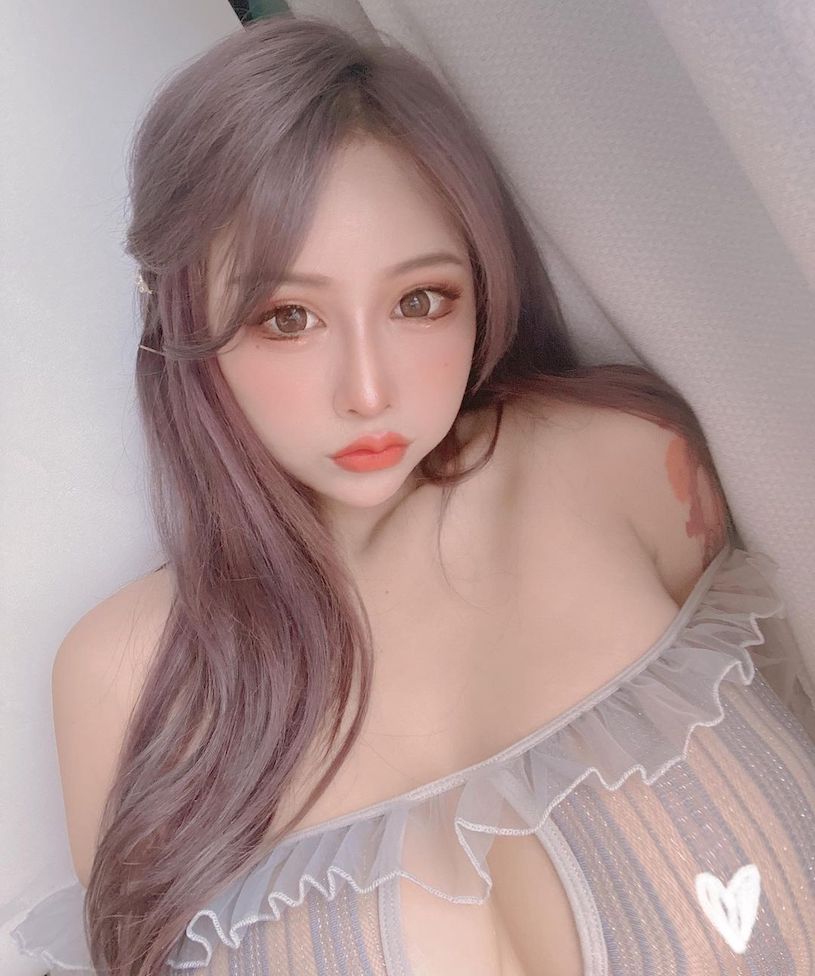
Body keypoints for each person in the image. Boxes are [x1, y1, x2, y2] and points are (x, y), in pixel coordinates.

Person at [11, 12, 815, 976]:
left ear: (482, 283)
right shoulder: (124, 677)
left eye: (419, 301)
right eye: (288, 317)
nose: (368, 390)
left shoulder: (626, 465)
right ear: (181, 316)